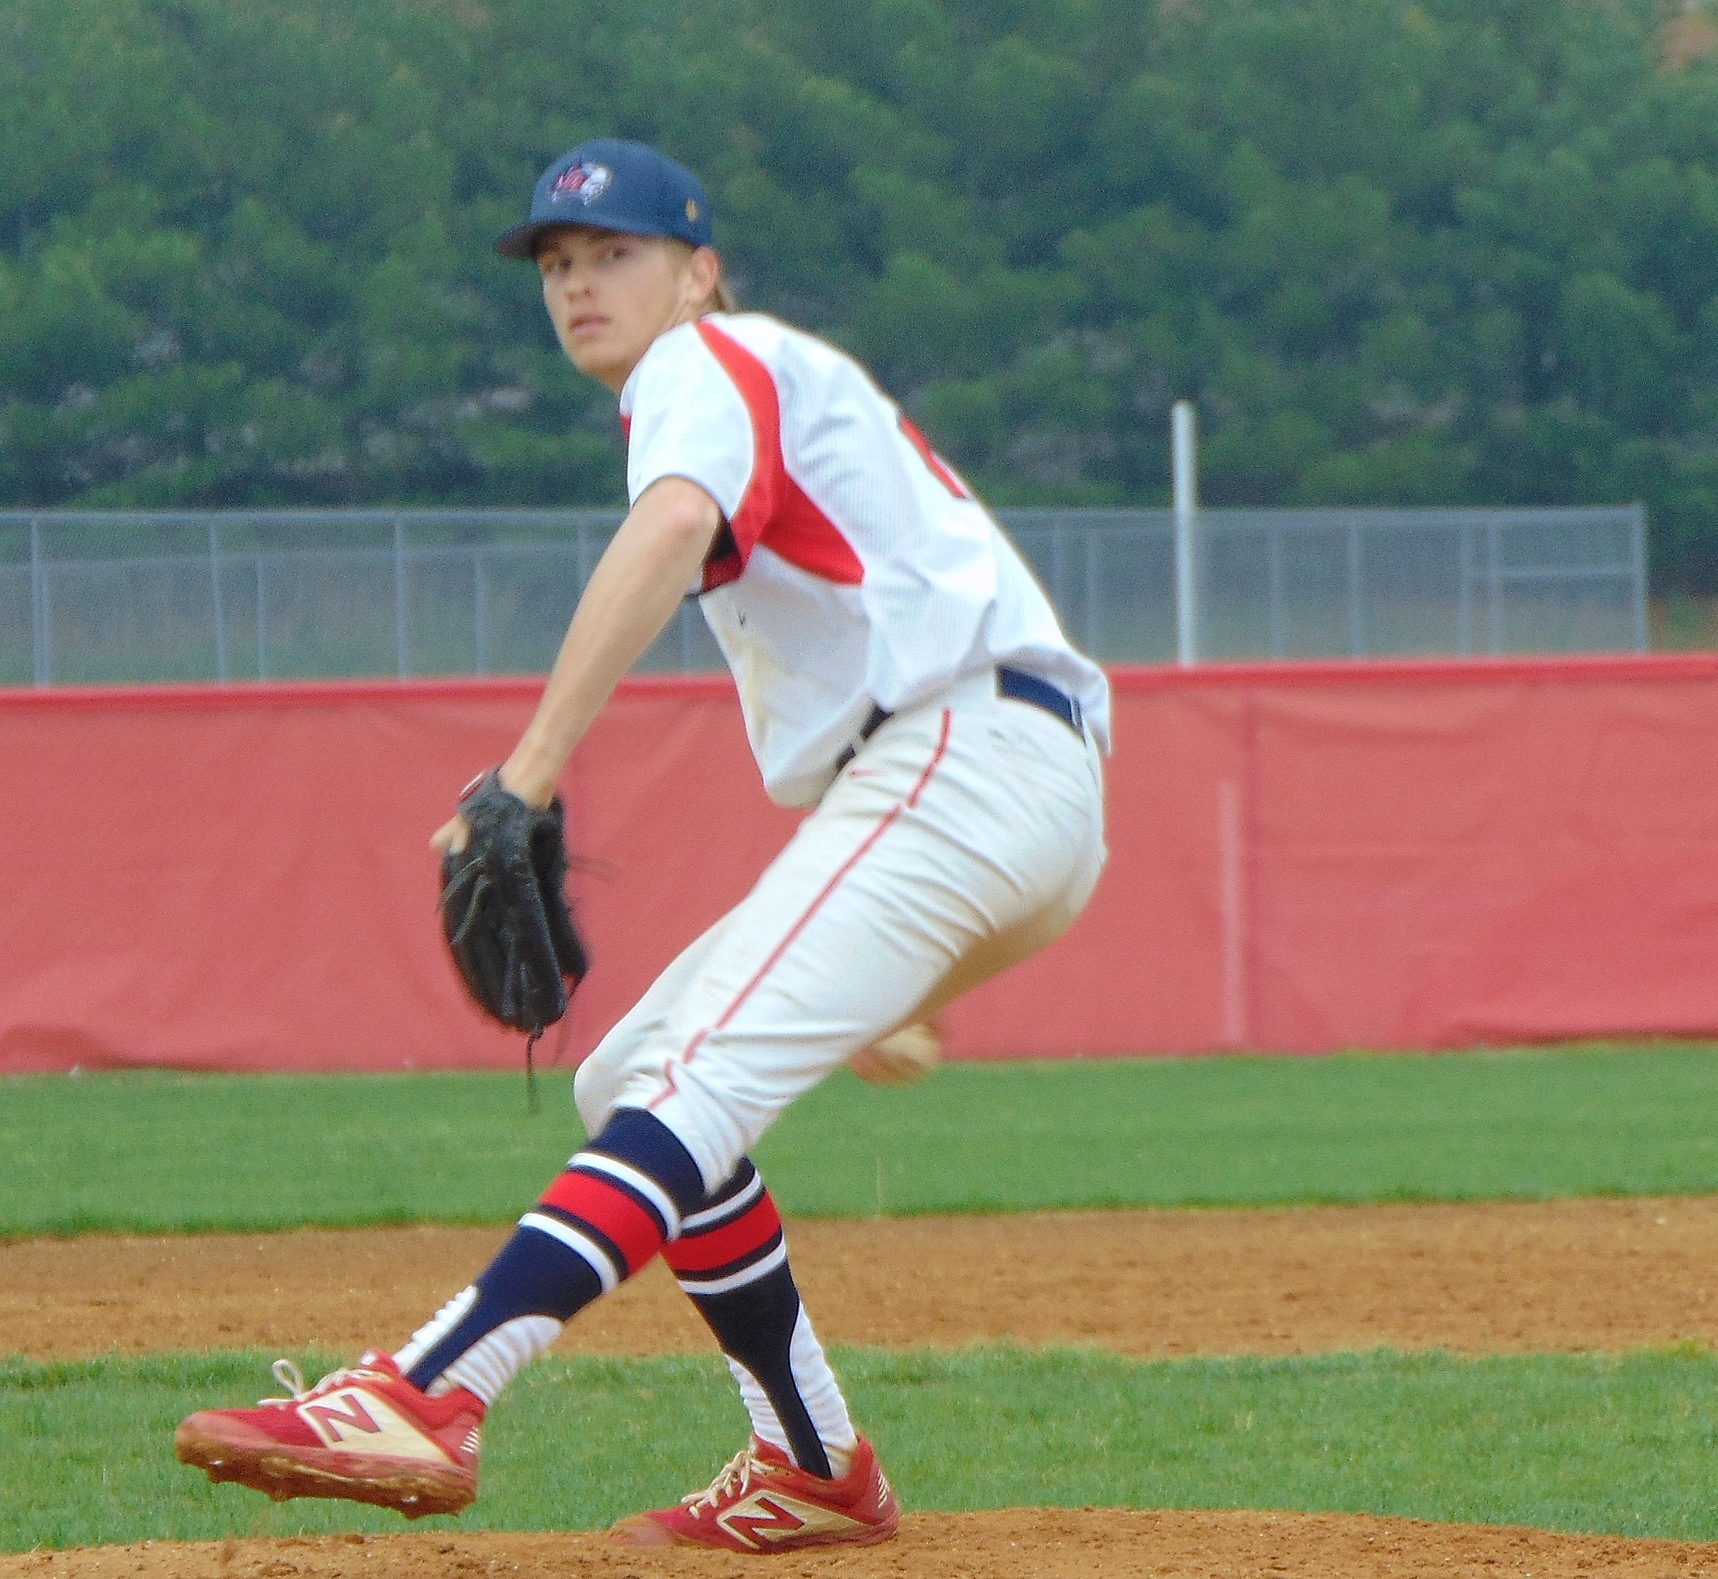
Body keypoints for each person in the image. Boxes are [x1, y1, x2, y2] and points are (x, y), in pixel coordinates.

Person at [173, 138, 1111, 1554]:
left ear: (699, 274)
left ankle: (428, 1389)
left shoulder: (706, 366)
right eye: (556, 264)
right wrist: (904, 979)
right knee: (635, 1077)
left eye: (615, 254)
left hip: (965, 754)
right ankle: (811, 1463)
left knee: (684, 1075)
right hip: (992, 780)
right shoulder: (761, 388)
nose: (578, 285)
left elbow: (675, 527)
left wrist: (527, 775)